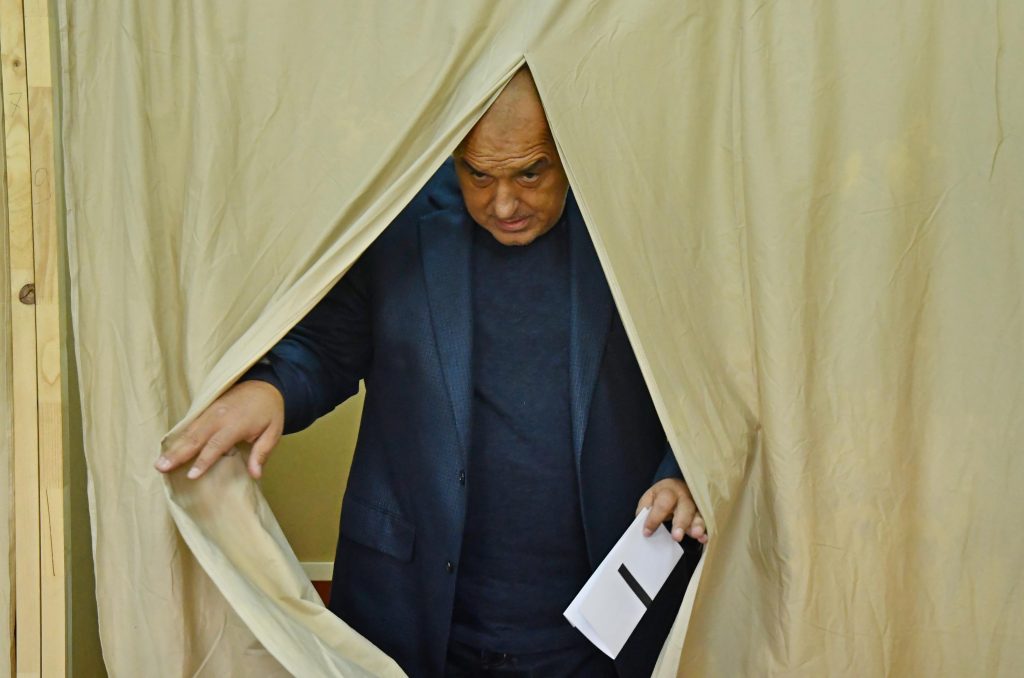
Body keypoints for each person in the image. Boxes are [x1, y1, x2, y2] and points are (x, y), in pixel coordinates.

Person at [156, 68, 707, 678]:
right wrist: (271, 388)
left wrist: (685, 473)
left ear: (568, 147)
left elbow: (712, 375)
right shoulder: (396, 218)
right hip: (416, 616)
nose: (504, 204)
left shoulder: (634, 227)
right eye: (479, 175)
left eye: (530, 173)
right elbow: (329, 345)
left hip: (605, 626)